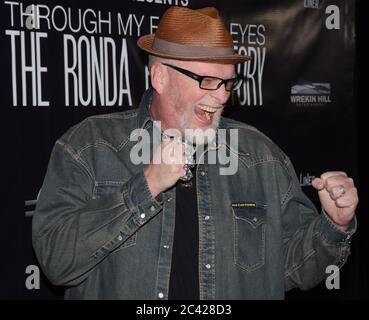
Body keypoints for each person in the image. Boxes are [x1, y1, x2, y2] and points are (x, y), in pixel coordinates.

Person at [32, 6, 358, 300]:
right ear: (160, 76)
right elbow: (56, 262)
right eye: (206, 80)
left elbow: (292, 269)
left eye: (227, 83)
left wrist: (333, 225)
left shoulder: (260, 155)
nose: (219, 97)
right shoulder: (90, 146)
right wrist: (145, 187)